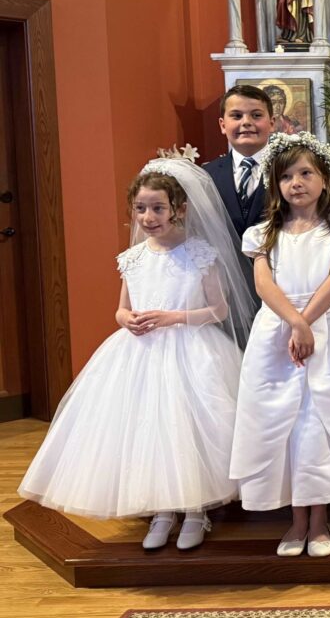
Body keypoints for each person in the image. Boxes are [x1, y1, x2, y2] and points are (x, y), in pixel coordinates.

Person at [19, 157, 253, 551]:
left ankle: (195, 510)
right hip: (139, 354)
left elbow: (219, 310)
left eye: (158, 208)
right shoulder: (133, 258)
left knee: (187, 428)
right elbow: (121, 307)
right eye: (141, 208)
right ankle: (162, 510)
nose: (148, 217)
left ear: (179, 209)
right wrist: (126, 318)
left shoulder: (199, 254)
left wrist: (172, 316)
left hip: (191, 350)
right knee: (149, 429)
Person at [230, 132, 330, 559]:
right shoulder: (262, 233)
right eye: (287, 176)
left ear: (324, 179)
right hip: (278, 330)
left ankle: (319, 520)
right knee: (284, 424)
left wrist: (308, 322)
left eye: (306, 173)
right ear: (275, 184)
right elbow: (263, 283)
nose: (296, 182)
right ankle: (295, 521)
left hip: (326, 330)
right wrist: (295, 324)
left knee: (318, 422)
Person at [204, 85, 275, 240]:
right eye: (236, 116)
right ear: (223, 125)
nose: (246, 122)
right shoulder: (207, 175)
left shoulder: (288, 169)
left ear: (271, 123)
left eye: (256, 115)